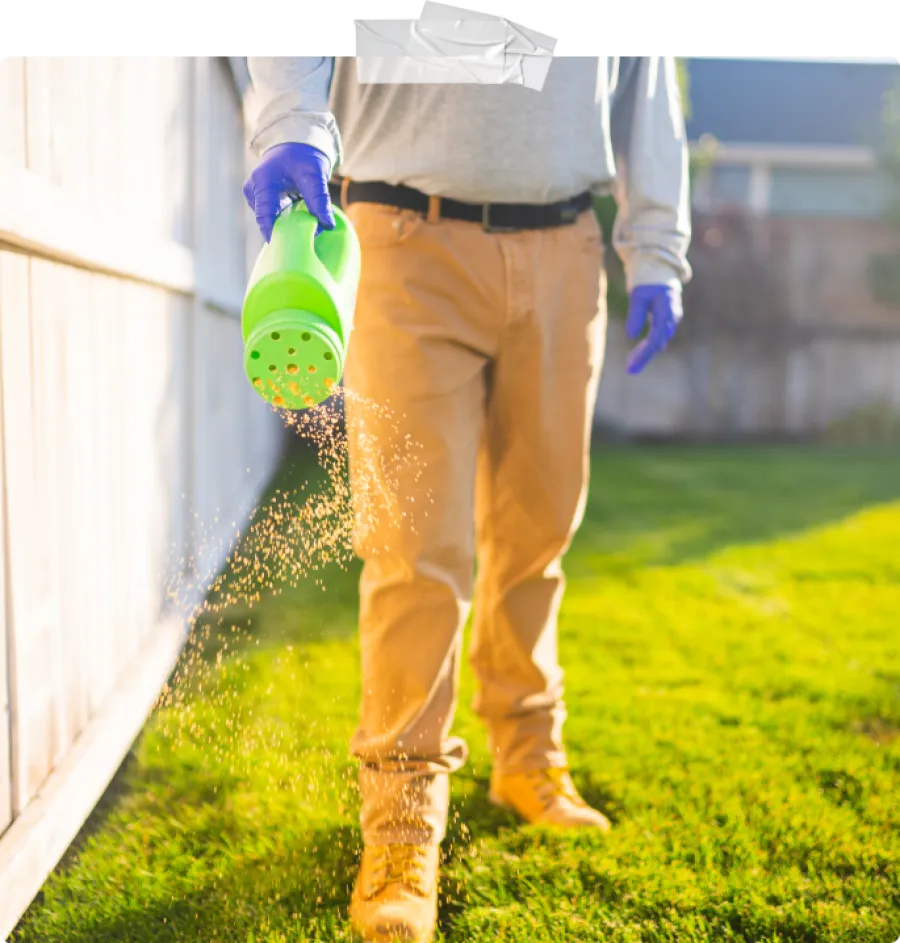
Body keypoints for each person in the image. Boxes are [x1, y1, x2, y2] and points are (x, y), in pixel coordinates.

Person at [242, 49, 691, 943]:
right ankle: (402, 824)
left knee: (540, 526)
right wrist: (289, 125)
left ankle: (528, 757)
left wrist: (658, 248)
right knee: (415, 545)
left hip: (566, 247)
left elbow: (647, 80)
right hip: (402, 237)